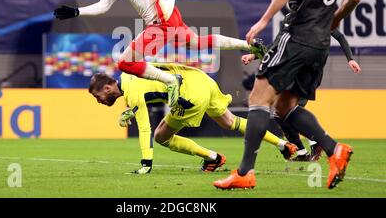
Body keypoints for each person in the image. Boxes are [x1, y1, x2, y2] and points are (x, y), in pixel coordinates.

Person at [214, 0, 362, 190]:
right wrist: (335, 20)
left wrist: (264, 20)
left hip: (296, 37)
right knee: (284, 106)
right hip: (320, 45)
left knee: (258, 98)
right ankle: (334, 150)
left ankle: (245, 172)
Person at [53, 0, 266, 108]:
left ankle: (170, 81)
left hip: (162, 21)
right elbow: (104, 5)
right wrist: (77, 12)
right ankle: (251, 45)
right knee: (197, 42)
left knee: (126, 62)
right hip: (165, 18)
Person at [88, 63, 298, 174]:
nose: (99, 101)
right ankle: (283, 145)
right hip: (201, 79)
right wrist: (132, 109)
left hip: (189, 94)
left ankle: (213, 158)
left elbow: (145, 129)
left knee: (162, 135)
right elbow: (155, 83)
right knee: (230, 122)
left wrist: (146, 163)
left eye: (99, 97)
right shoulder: (129, 74)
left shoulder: (132, 92)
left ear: (107, 87)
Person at [242, 29, 362, 161]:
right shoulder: (292, 19)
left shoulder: (317, 18)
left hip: (308, 73)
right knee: (280, 114)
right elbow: (277, 45)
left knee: (289, 111)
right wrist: (253, 56)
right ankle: (303, 151)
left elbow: (339, 36)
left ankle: (317, 143)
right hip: (293, 72)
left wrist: (350, 59)